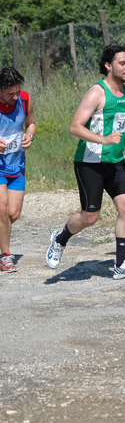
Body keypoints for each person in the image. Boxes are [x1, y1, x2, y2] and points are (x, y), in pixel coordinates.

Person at [45, 45, 125, 280]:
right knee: (90, 217)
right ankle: (60, 239)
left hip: (116, 162)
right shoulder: (96, 93)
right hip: (90, 162)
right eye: (123, 63)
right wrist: (103, 139)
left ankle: (121, 265)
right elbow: (75, 127)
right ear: (108, 66)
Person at [0, 67, 36, 273]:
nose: (15, 97)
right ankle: (5, 256)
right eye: (10, 93)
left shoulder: (24, 99)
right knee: (2, 210)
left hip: (16, 165)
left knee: (12, 214)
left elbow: (31, 124)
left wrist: (29, 136)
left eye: (17, 92)